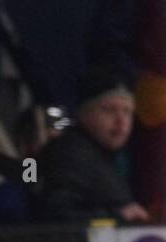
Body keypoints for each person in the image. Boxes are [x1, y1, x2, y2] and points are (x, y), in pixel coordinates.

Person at [32, 64, 149, 222]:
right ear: (84, 115)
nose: (121, 121)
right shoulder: (70, 154)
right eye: (109, 110)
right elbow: (55, 217)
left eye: (127, 111)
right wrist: (117, 217)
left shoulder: (105, 154)